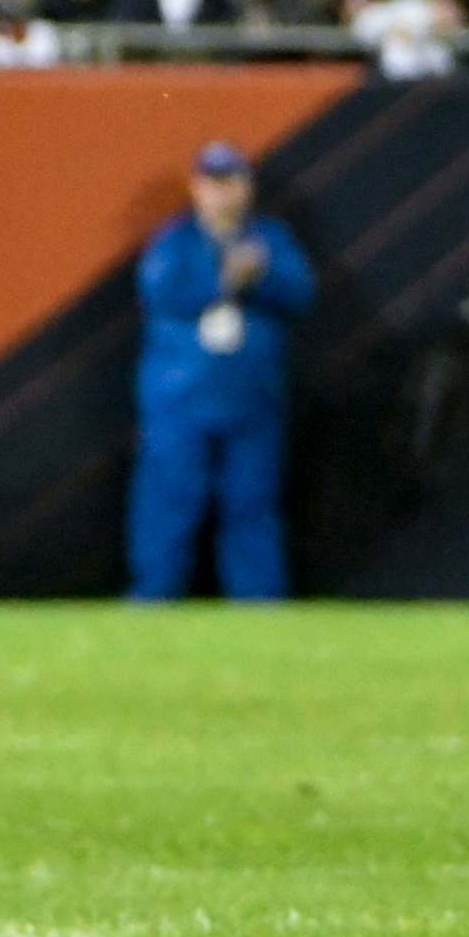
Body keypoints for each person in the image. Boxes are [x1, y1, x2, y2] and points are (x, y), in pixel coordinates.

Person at [129, 142, 317, 602]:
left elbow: (301, 292)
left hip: (252, 398)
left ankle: (259, 603)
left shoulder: (269, 240)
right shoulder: (175, 241)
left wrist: (262, 276)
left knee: (250, 504)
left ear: (247, 187)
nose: (222, 193)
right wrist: (225, 279)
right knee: (170, 498)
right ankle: (155, 596)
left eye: (231, 181)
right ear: (197, 188)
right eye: (213, 182)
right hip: (180, 398)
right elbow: (160, 292)